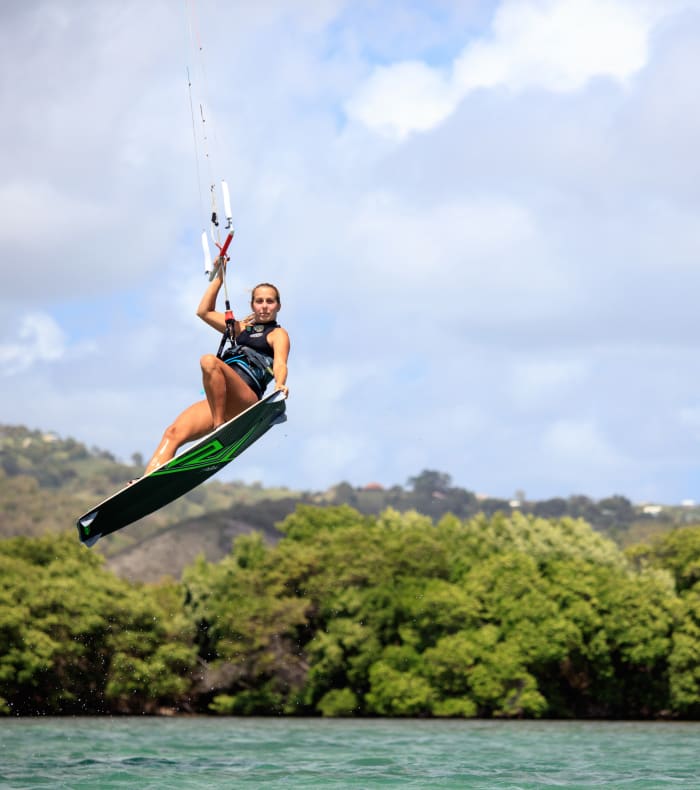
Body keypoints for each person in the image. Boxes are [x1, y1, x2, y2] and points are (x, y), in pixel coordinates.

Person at [142, 261, 290, 475]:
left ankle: (219, 427)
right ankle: (147, 479)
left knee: (209, 361)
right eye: (259, 301)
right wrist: (220, 276)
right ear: (252, 305)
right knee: (173, 433)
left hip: (245, 400)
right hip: (219, 401)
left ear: (278, 306)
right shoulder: (240, 329)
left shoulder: (278, 334)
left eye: (270, 301)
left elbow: (280, 362)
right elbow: (204, 311)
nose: (264, 306)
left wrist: (280, 384)